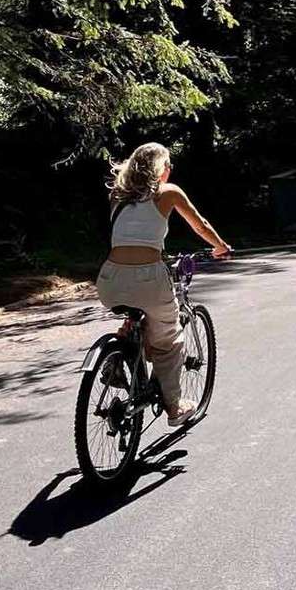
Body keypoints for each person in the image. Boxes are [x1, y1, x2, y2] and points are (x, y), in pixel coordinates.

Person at [96, 142, 230, 427]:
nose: (170, 170)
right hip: (147, 278)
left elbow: (134, 234)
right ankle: (175, 406)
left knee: (139, 316)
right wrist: (219, 246)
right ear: (161, 169)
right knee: (170, 341)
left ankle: (118, 358)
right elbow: (199, 224)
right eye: (168, 165)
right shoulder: (168, 192)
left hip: (109, 279)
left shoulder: (118, 195)